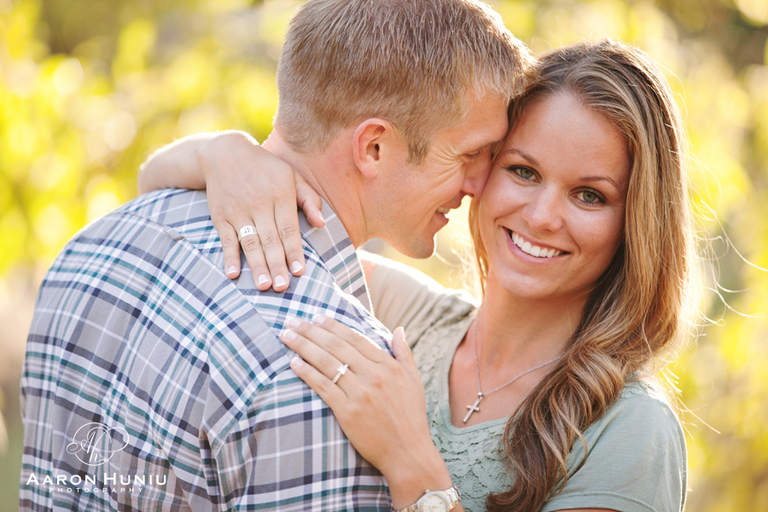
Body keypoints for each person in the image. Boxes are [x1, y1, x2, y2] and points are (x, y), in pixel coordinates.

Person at [20, 1, 530, 510]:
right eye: (468, 155)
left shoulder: (91, 246)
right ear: (373, 148)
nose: (480, 184)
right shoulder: (328, 376)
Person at [143, 39, 694, 512]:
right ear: (480, 174)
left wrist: (414, 466)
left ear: (636, 224)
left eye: (589, 195)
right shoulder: (401, 312)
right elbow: (154, 184)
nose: (544, 216)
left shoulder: (630, 433)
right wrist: (229, 155)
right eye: (523, 171)